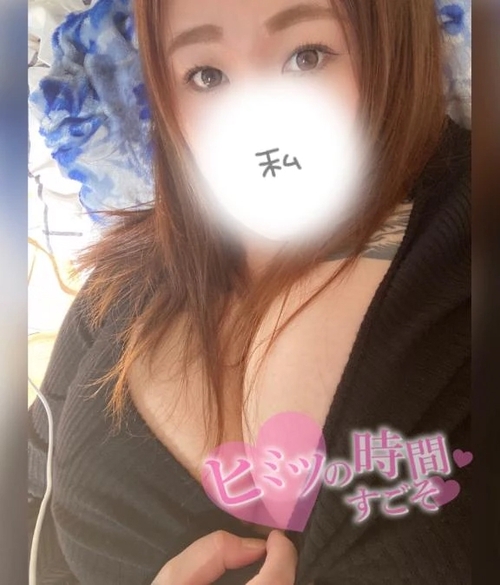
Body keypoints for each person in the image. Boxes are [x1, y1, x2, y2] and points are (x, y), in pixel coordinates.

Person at [28, 0, 471, 583]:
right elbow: (29, 498)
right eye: (206, 75)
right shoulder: (122, 284)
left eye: (306, 56)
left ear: (393, 45)